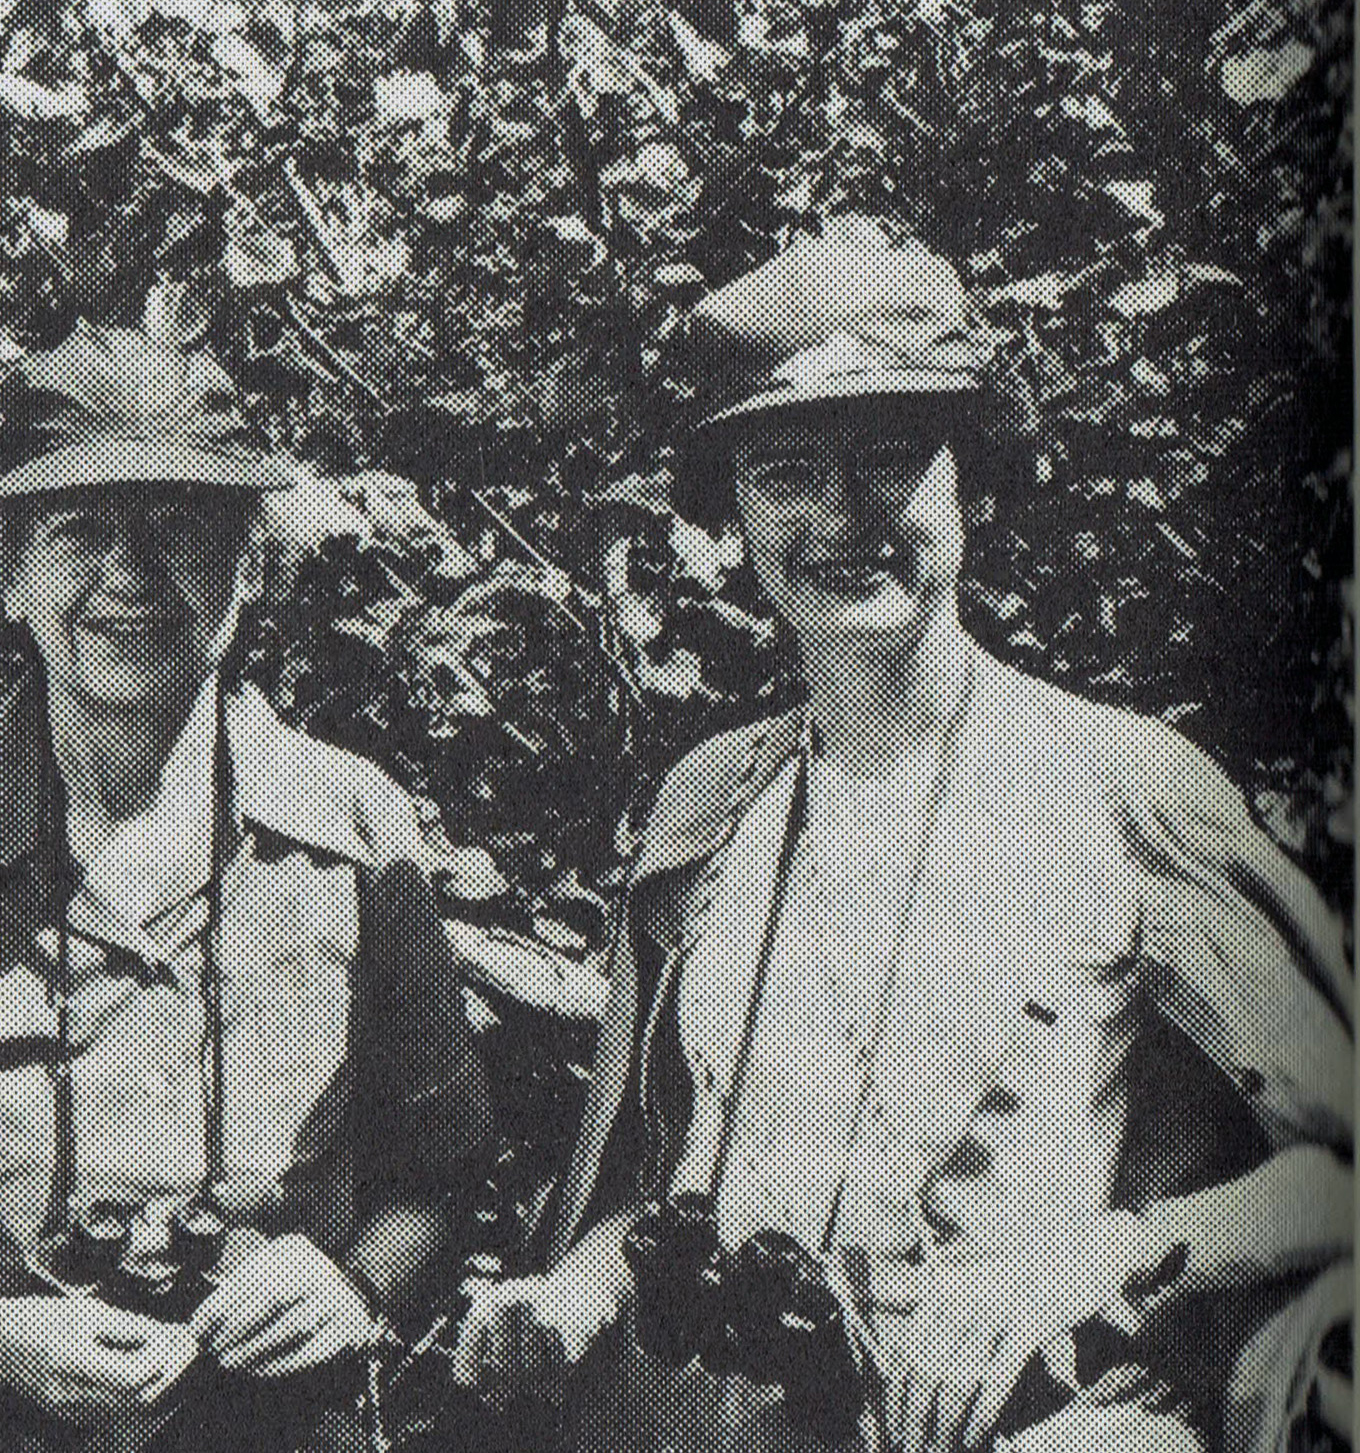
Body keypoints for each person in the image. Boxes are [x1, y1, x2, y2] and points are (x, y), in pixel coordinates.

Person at [450, 216, 1352, 1453]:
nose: (841, 518)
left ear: (972, 479)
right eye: (785, 474)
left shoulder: (1118, 789)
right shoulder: (711, 806)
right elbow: (667, 1189)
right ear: (733, 512)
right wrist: (564, 1298)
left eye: (888, 459)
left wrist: (1102, 1257)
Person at [0, 323, 495, 1453]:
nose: (130, 575)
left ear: (249, 571)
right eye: (80, 530)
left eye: (178, 529)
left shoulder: (355, 832)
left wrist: (357, 1286)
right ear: (10, 578)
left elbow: (438, 1178)